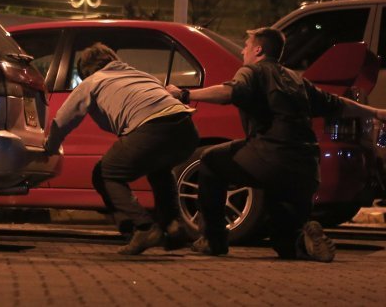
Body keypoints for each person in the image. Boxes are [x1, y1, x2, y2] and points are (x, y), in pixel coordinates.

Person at [167, 27, 386, 262]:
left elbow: (229, 93)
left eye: (247, 46)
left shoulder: (253, 71)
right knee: (284, 243)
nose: (243, 50)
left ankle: (213, 240)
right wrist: (375, 112)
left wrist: (185, 95)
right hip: (307, 167)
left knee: (211, 160)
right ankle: (304, 237)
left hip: (270, 156)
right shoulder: (295, 79)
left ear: (258, 50)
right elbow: (336, 103)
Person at [44, 43, 199, 255]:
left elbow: (62, 120)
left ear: (85, 71)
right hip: (186, 129)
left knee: (105, 172)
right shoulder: (143, 76)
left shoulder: (93, 81)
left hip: (153, 128)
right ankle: (173, 226)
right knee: (160, 169)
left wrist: (50, 147)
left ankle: (142, 227)